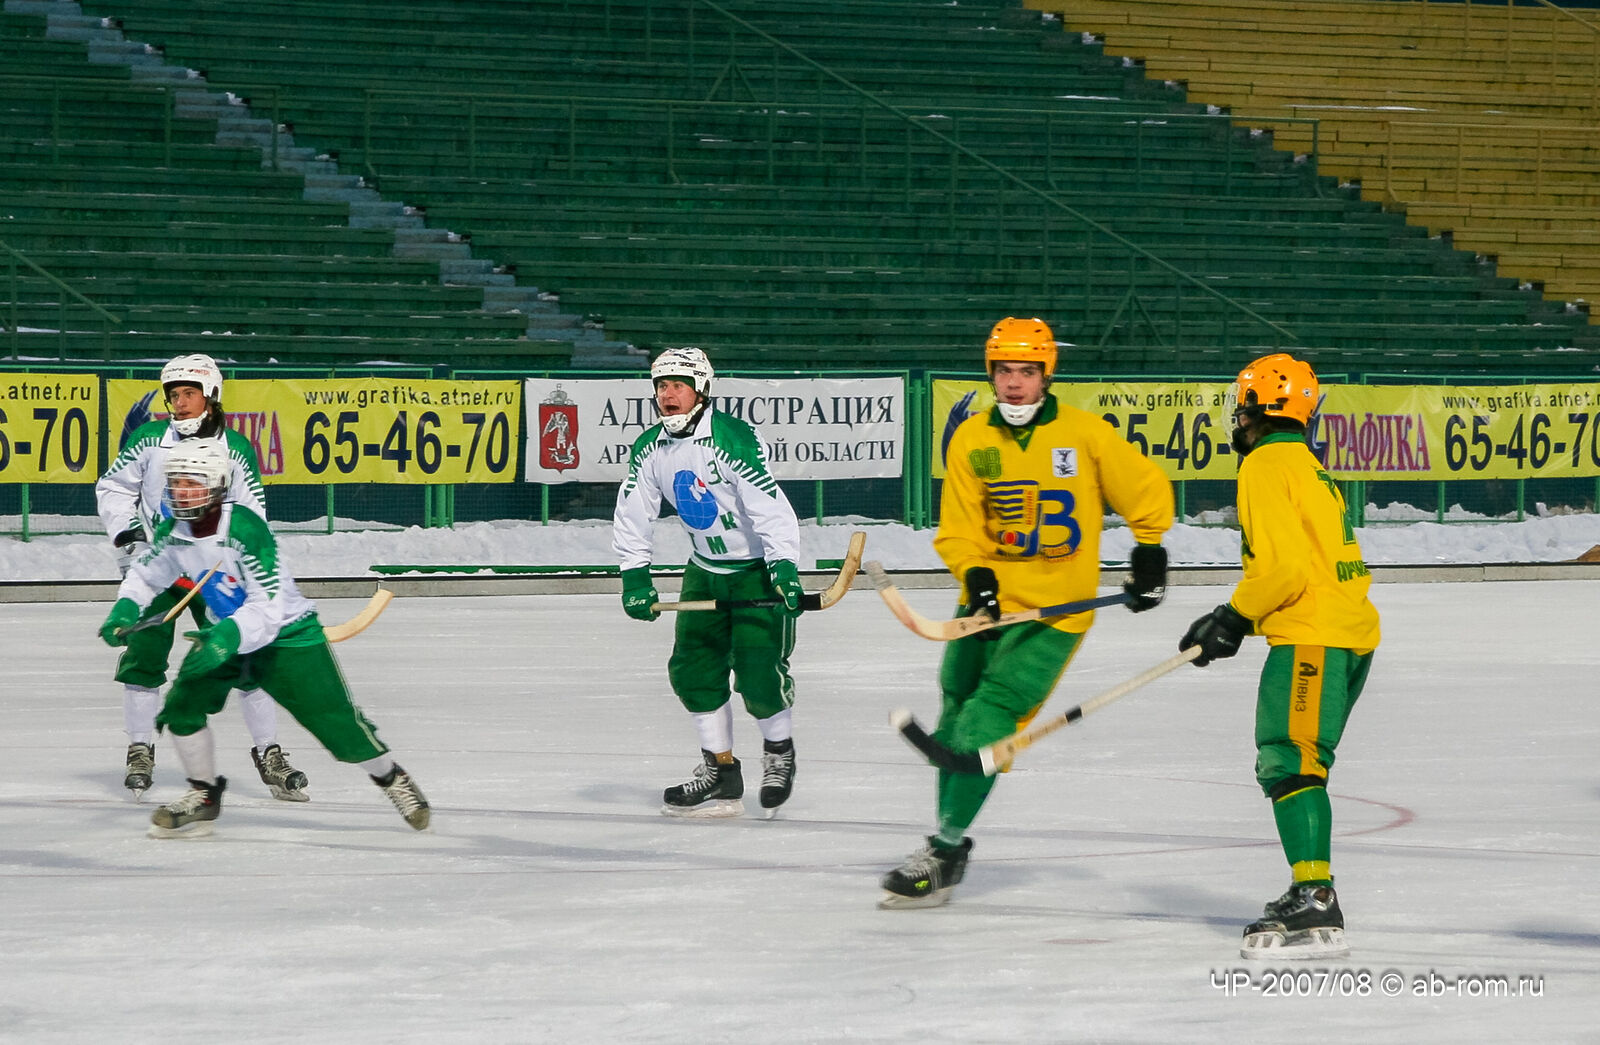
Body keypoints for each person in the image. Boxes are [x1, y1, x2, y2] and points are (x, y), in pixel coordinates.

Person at [879, 317, 1174, 909]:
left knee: (983, 722)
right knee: (955, 707)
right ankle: (948, 844)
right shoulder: (972, 438)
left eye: (1027, 371)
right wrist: (976, 574)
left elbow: (1143, 487)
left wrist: (1149, 549)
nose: (1015, 383)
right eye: (1005, 371)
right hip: (986, 608)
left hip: (1054, 614)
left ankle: (944, 849)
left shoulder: (1084, 434)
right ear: (991, 374)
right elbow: (959, 527)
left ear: (1046, 375)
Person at [97, 439, 430, 837]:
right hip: (226, 636)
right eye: (176, 482)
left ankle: (391, 777)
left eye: (192, 482)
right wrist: (126, 608)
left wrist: (228, 634)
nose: (181, 492)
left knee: (338, 727)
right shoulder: (174, 531)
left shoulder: (246, 529)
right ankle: (204, 795)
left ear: (217, 485)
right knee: (182, 708)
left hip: (287, 639)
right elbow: (147, 573)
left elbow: (268, 606)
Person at [1179, 352, 1380, 959]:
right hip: (1345, 632)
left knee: (1289, 759)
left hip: (1311, 635)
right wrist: (1237, 616)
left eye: (1241, 407)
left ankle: (1314, 895)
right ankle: (1311, 889)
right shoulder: (1307, 463)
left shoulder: (1265, 463)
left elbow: (1285, 569)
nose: (1236, 418)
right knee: (1302, 763)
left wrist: (1232, 616)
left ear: (1257, 410)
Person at [95, 354, 308, 802]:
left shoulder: (236, 448)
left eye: (188, 393)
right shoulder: (149, 439)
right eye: (173, 394)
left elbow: (252, 510)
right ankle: (140, 749)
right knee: (144, 655)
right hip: (160, 566)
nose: (179, 402)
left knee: (246, 655)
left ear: (211, 395)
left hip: (215, 571)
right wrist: (127, 532)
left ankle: (268, 752)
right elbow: (114, 486)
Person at [612, 347, 804, 819]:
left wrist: (783, 566)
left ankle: (779, 752)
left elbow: (769, 505)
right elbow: (633, 513)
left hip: (755, 572)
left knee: (759, 674)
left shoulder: (732, 438)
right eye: (661, 386)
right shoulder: (650, 447)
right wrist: (635, 575)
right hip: (704, 571)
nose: (668, 394)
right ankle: (721, 771)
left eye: (678, 385)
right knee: (694, 670)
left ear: (701, 389)